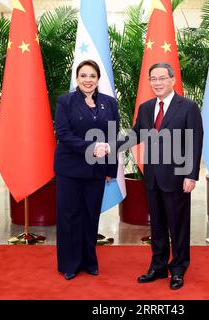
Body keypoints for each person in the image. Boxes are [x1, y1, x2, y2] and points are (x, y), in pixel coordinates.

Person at [113, 62, 203, 290]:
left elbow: (194, 143)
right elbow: (135, 136)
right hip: (152, 176)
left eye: (162, 78)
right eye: (153, 79)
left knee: (178, 226)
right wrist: (111, 147)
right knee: (158, 225)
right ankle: (158, 265)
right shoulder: (145, 108)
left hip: (177, 178)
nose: (157, 83)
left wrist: (191, 175)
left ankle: (179, 268)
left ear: (173, 80)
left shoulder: (188, 107)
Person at [54, 59, 119, 280]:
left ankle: (89, 261)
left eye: (92, 76)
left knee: (91, 215)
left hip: (97, 170)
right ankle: (70, 264)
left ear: (98, 78)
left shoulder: (110, 103)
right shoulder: (65, 102)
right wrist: (91, 148)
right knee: (70, 216)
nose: (88, 80)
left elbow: (113, 136)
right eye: (83, 76)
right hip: (70, 169)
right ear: (77, 78)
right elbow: (63, 134)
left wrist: (111, 167)